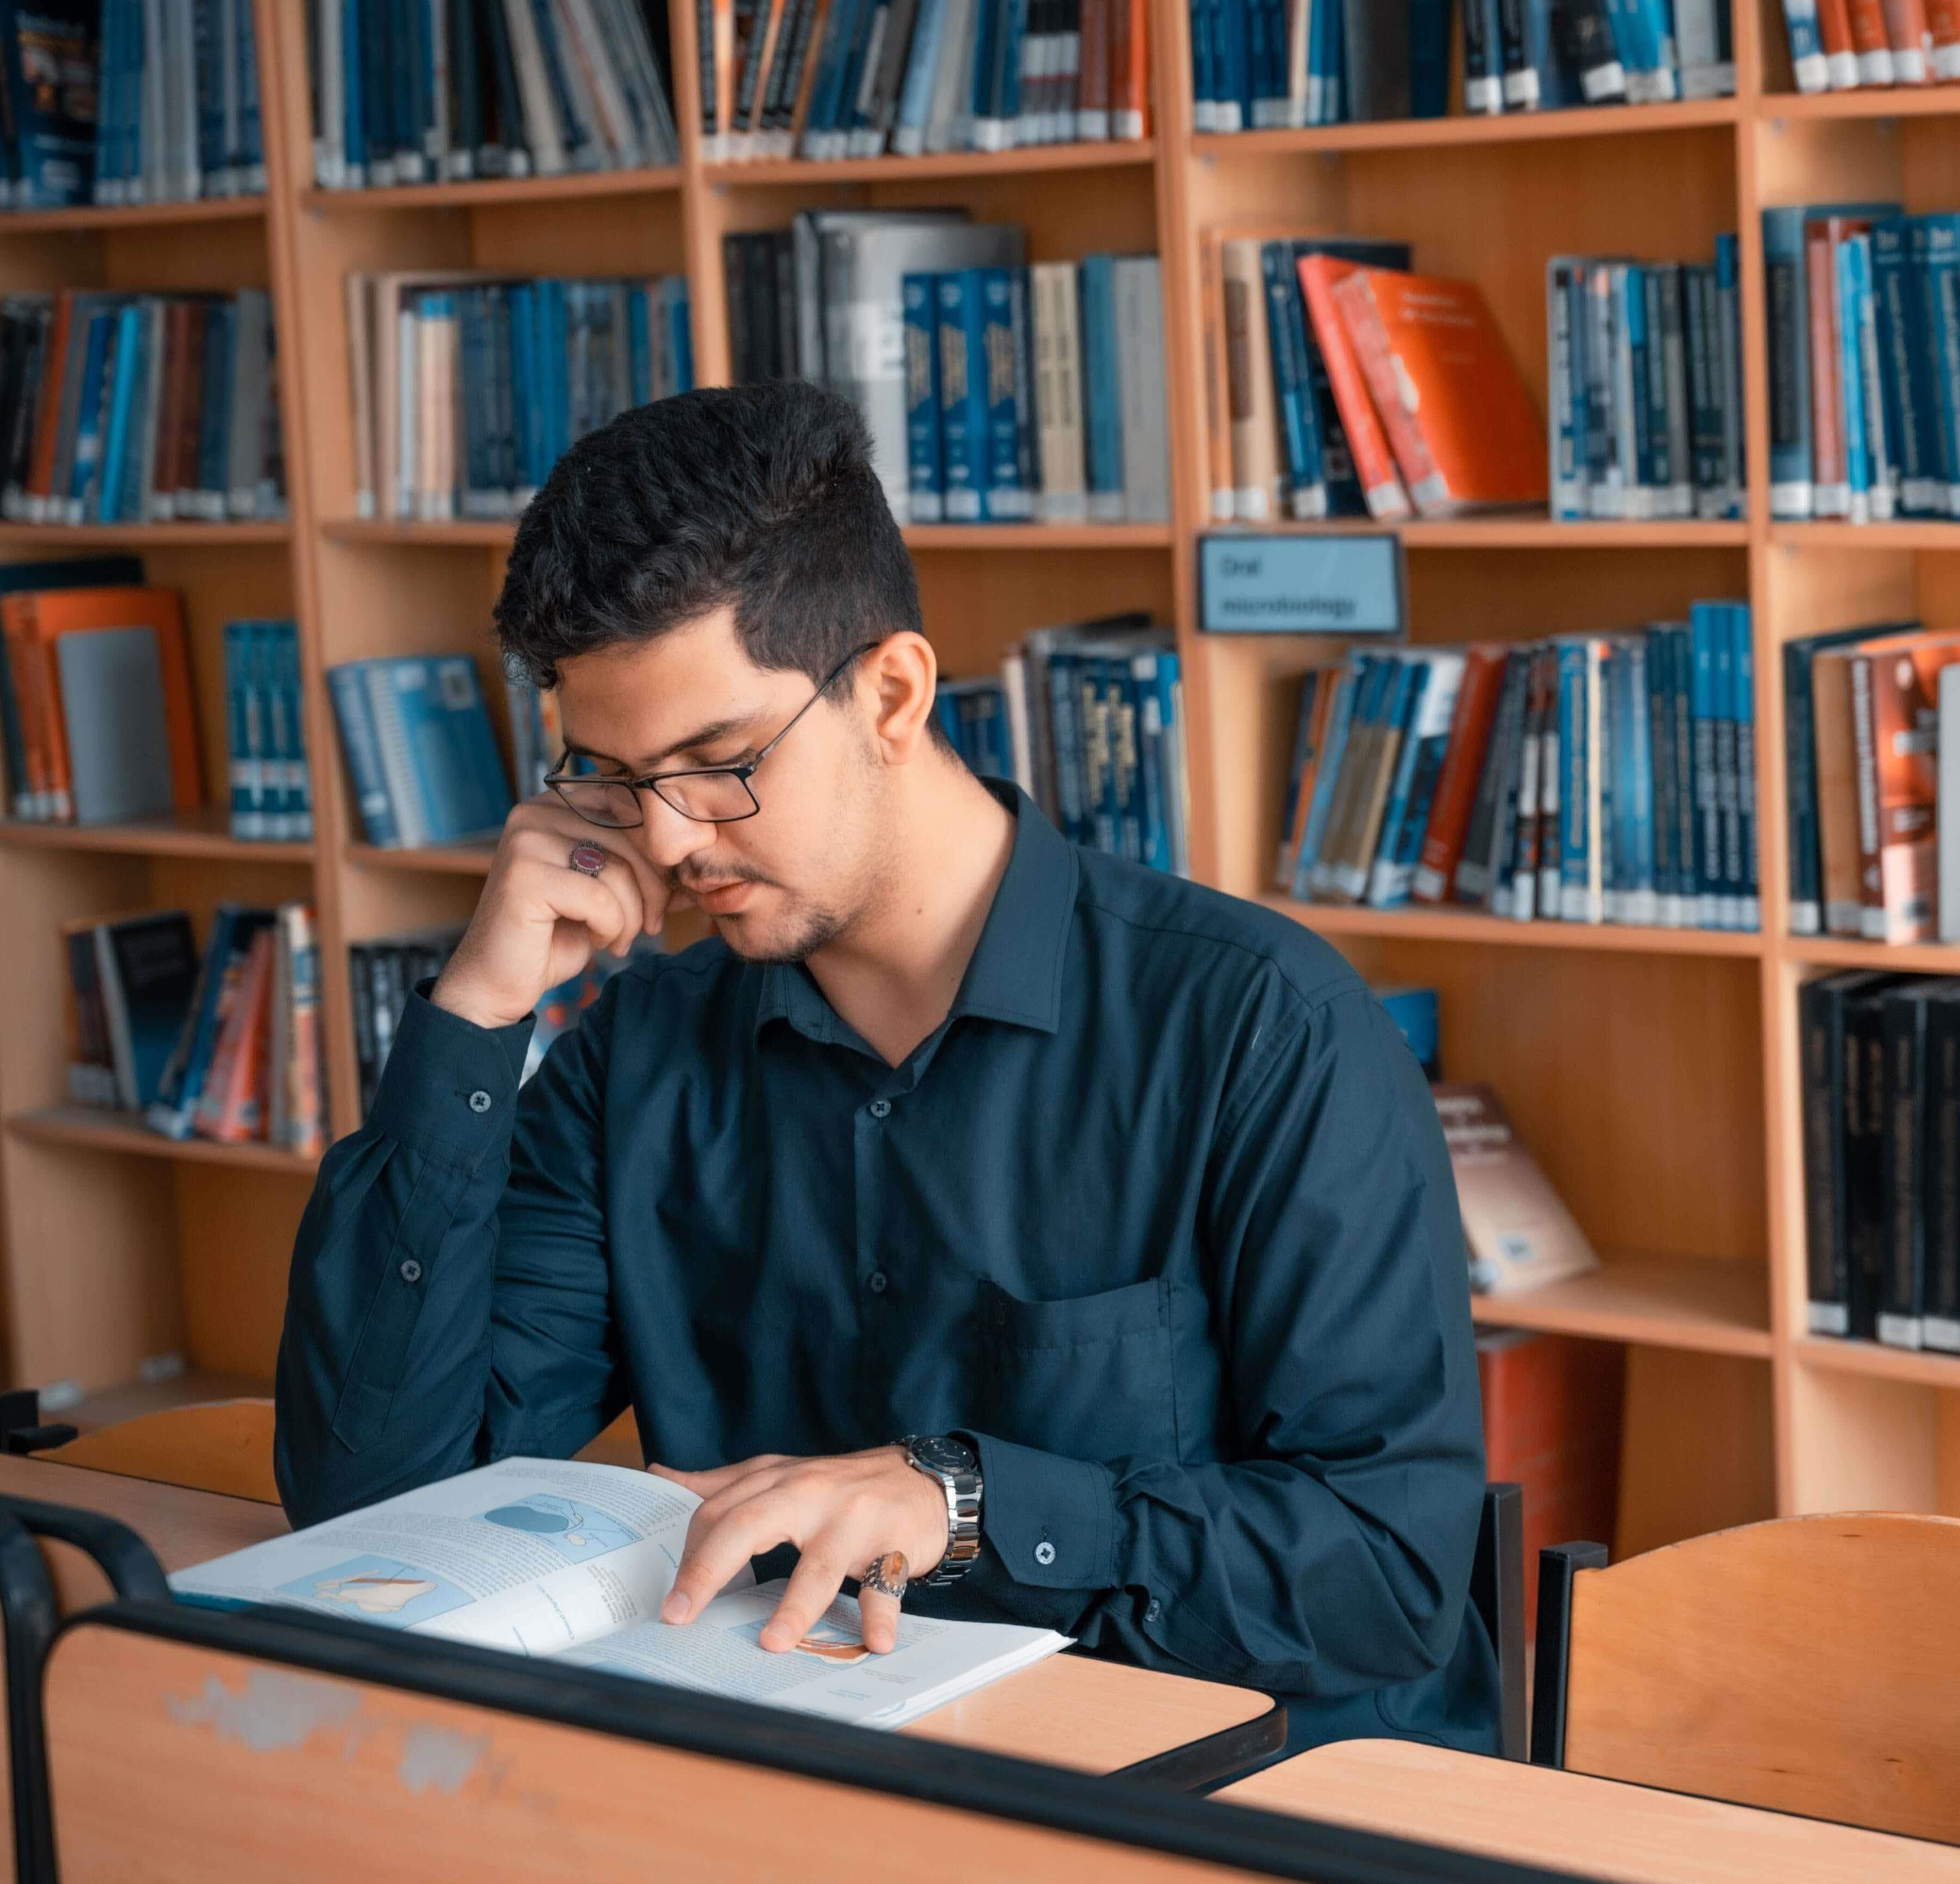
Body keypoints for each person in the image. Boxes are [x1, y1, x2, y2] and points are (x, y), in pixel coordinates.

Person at [275, 382, 1497, 1755]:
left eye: (719, 762)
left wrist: (962, 1505)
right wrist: (478, 1010)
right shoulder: (637, 1057)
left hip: (1215, 1819)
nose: (668, 844)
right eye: (612, 776)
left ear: (895, 692)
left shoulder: (1265, 1030)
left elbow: (1386, 1576)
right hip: (807, 1793)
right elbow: (383, 1510)